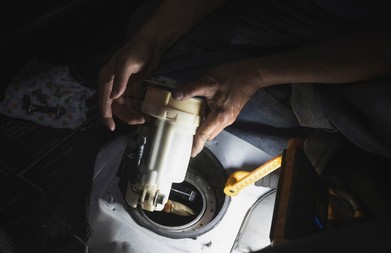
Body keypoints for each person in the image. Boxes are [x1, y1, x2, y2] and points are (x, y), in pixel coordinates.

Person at [98, 0, 391, 166]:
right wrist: (151, 40)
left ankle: (327, 149)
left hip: (376, 57)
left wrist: (256, 74)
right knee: (147, 30)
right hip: (322, 13)